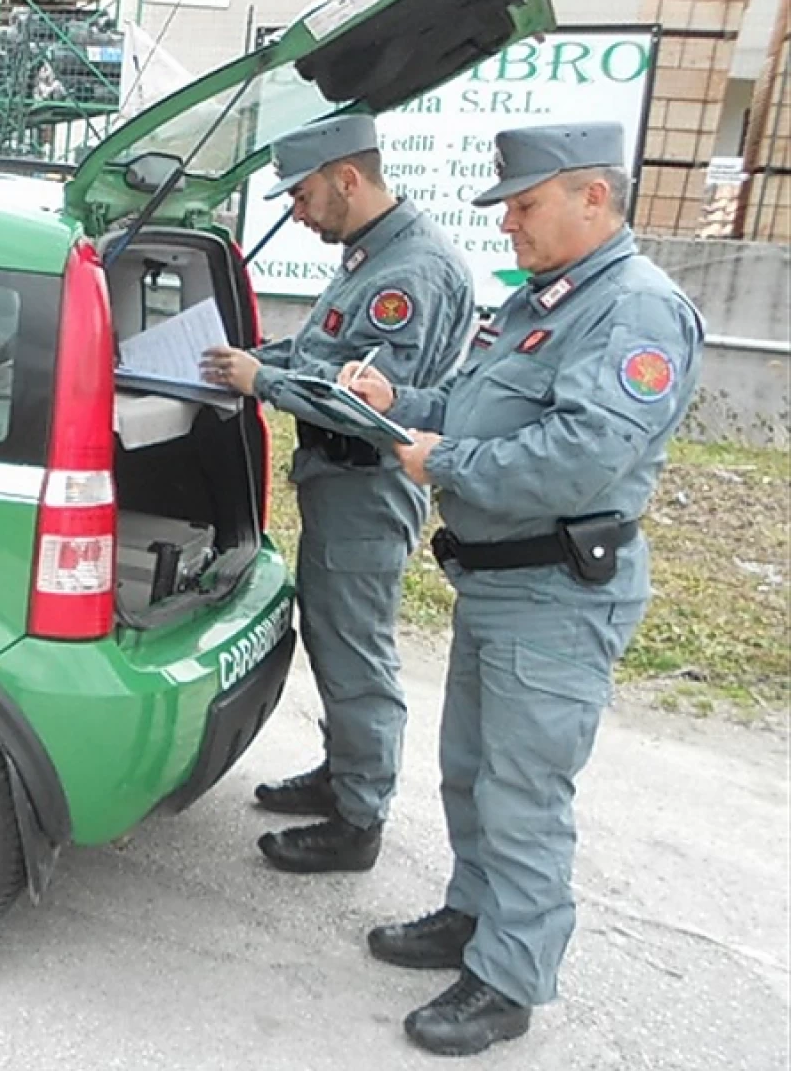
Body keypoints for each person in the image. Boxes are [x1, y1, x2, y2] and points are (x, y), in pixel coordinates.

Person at [341, 122, 702, 1056]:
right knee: (472, 769)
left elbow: (581, 456)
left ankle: (508, 982)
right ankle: (473, 917)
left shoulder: (635, 312)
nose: (509, 224)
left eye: (526, 204)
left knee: (523, 793)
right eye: (505, 207)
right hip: (501, 584)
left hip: (556, 591)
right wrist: (400, 408)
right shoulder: (550, 299)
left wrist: (445, 460)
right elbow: (473, 408)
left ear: (596, 198)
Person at [200, 114, 475, 874]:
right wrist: (251, 359)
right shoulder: (371, 257)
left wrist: (266, 382)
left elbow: (368, 400)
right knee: (333, 634)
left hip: (368, 483)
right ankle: (342, 773)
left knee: (355, 646)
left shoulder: (406, 275)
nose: (297, 210)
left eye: (304, 193)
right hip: (341, 481)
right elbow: (330, 352)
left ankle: (359, 817)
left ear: (347, 179)